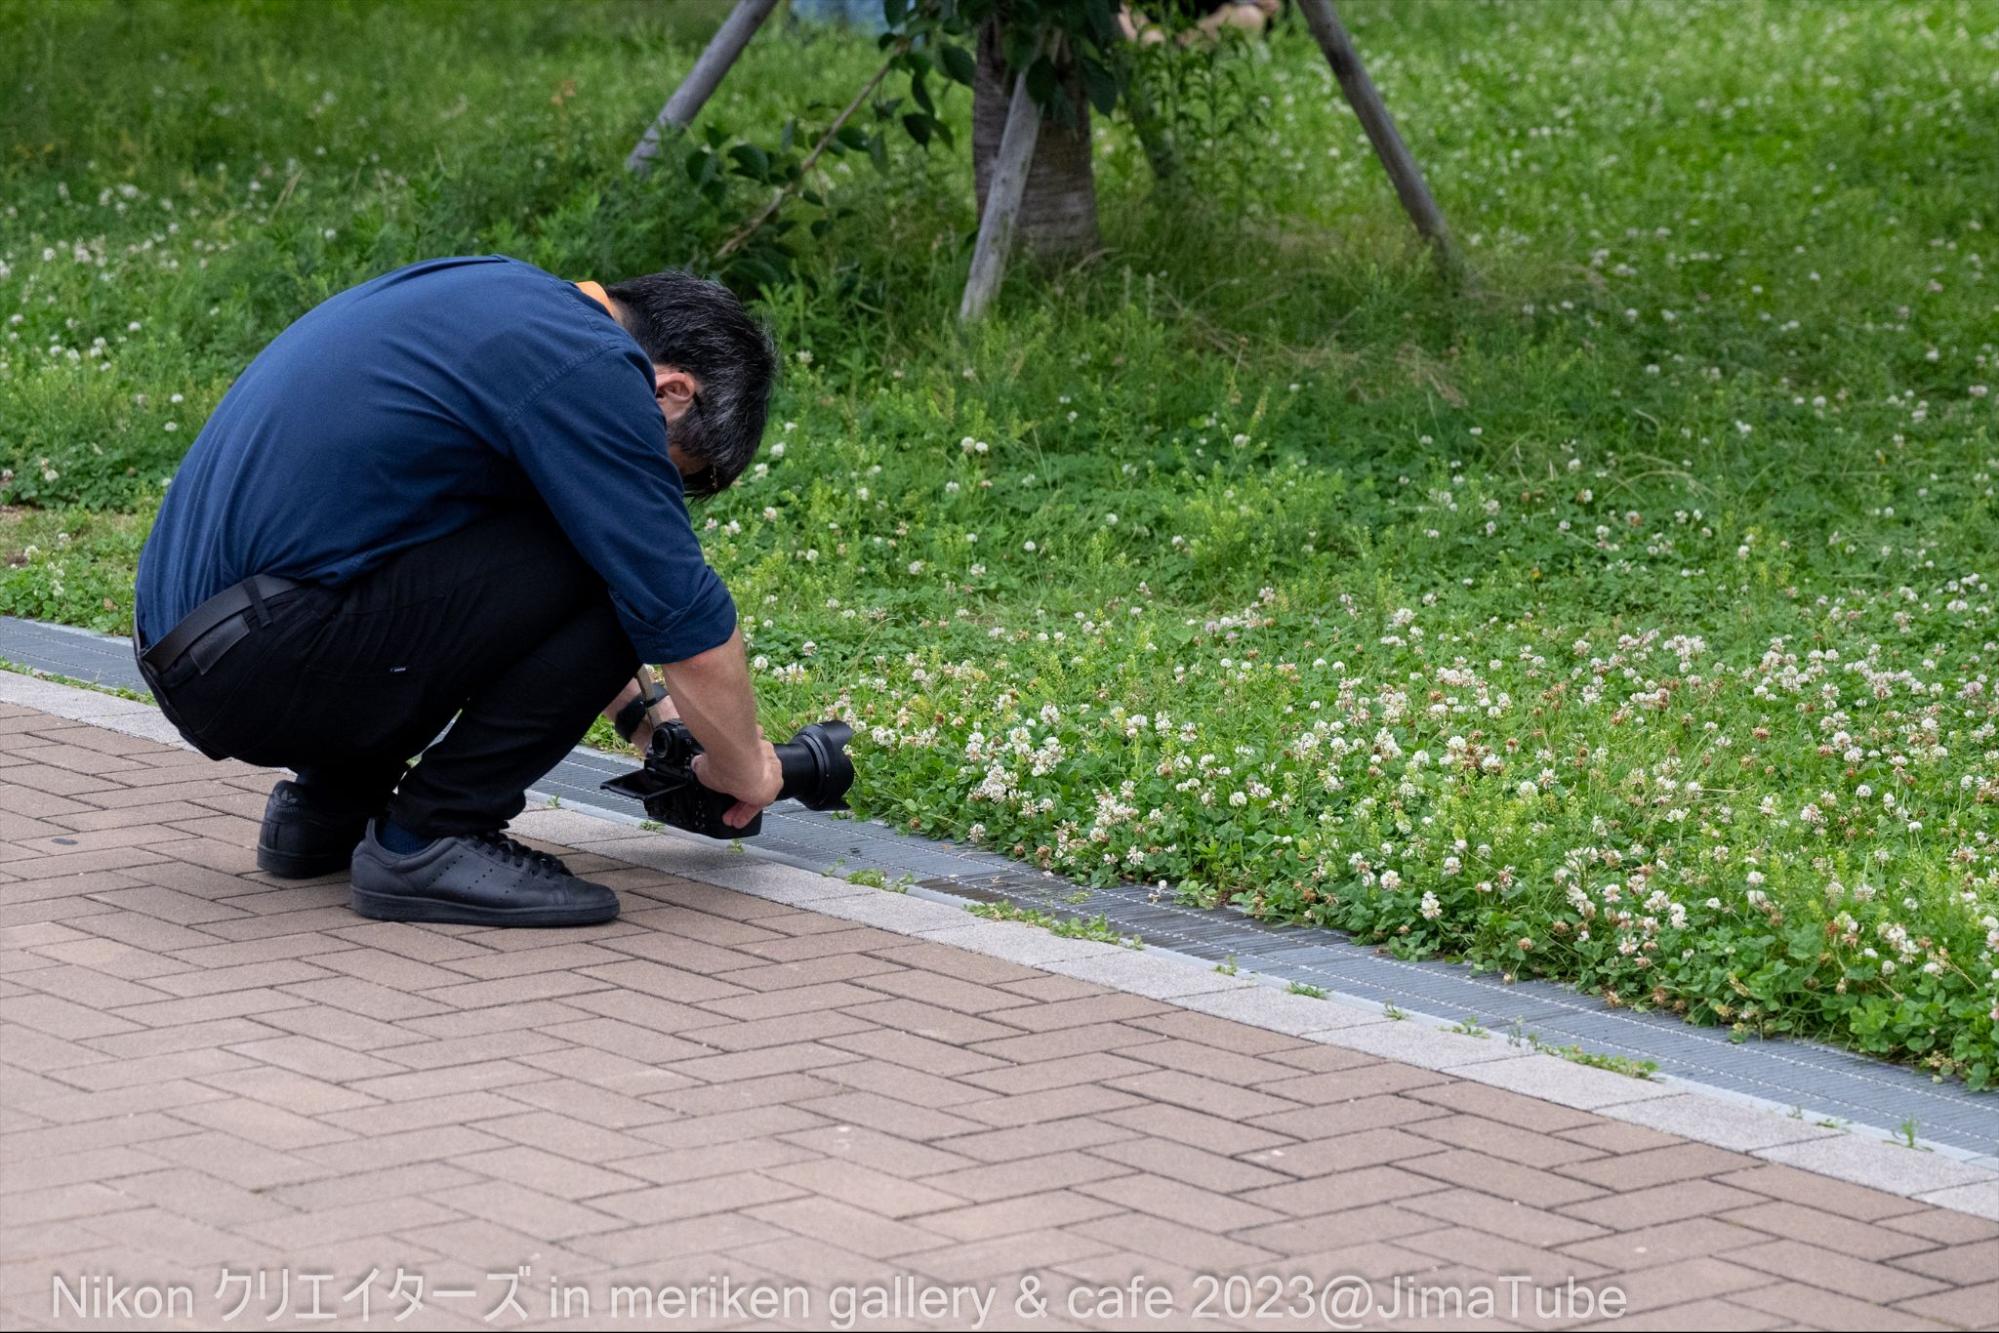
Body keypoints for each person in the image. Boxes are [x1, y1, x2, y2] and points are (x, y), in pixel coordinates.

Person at [131, 256, 782, 928]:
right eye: (675, 469)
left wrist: (646, 721)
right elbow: (680, 615)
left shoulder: (501, 301)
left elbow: (493, 581)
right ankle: (432, 837)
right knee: (630, 564)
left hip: (201, 646)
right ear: (674, 391)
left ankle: (329, 809)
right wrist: (746, 768)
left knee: (583, 538)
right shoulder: (591, 367)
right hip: (261, 658)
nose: (658, 482)